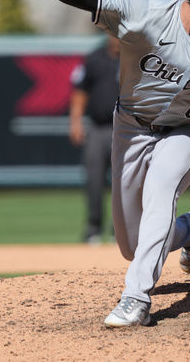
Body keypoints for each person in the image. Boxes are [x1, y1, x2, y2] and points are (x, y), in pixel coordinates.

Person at [15, 0, 190, 327]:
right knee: (130, 245)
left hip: (188, 130)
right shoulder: (143, 13)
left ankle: (136, 299)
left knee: (162, 189)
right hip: (131, 125)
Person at [69, 36, 120, 244]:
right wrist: (75, 121)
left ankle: (121, 231)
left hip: (125, 130)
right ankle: (93, 229)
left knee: (126, 183)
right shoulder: (95, 58)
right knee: (94, 181)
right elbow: (80, 91)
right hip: (98, 128)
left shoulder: (134, 56)